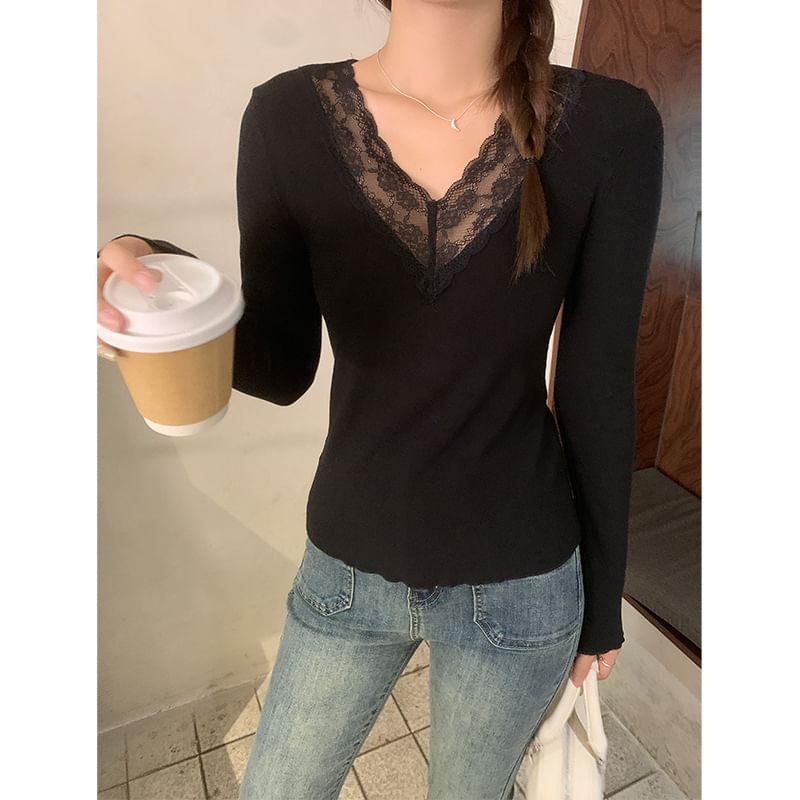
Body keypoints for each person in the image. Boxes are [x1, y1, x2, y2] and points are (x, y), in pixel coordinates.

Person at [97, 1, 663, 797]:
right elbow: (280, 363)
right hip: (348, 567)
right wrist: (160, 282)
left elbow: (595, 386)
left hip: (522, 581)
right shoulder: (288, 118)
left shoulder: (611, 126)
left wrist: (603, 607)